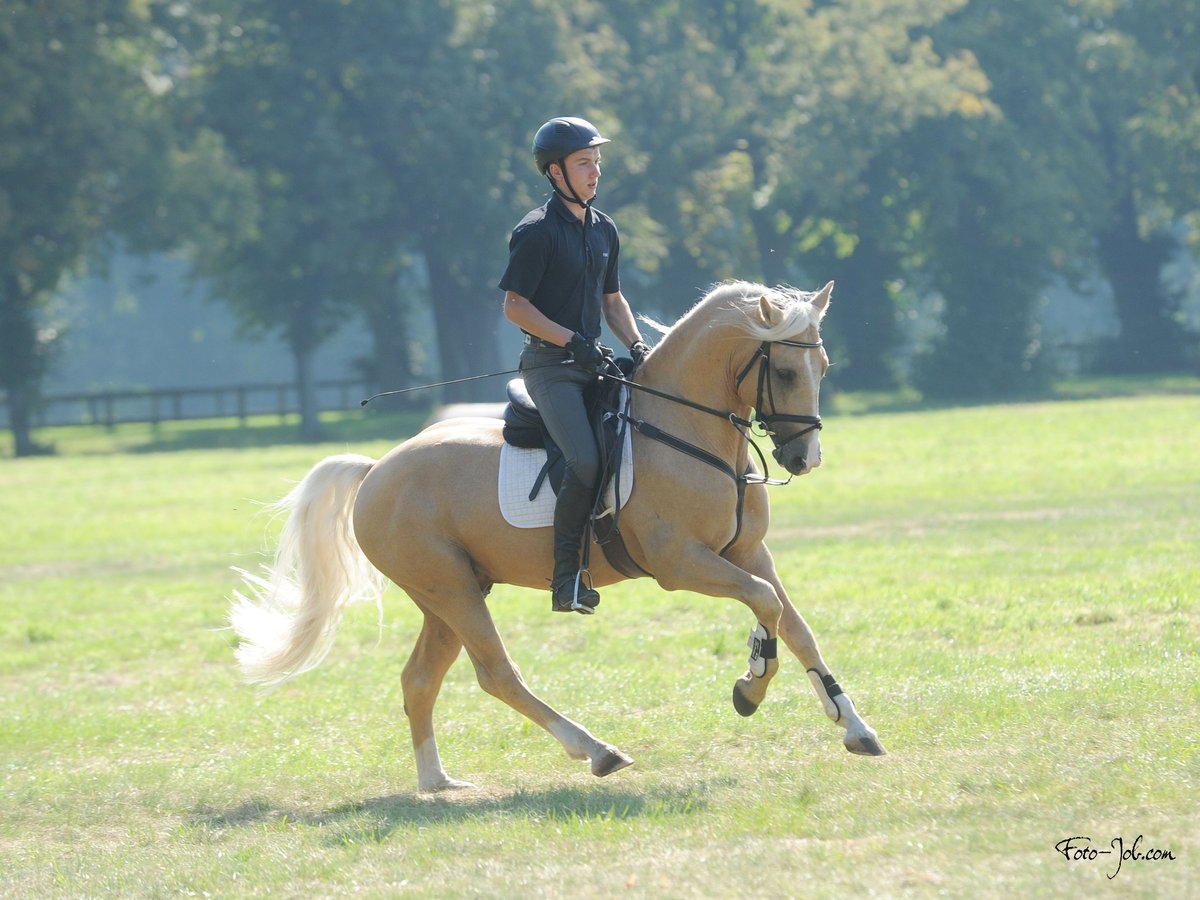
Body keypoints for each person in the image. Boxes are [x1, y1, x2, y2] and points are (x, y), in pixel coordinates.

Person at [499, 116, 651, 615]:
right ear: (555, 172)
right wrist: (571, 341)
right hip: (550, 368)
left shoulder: (604, 228)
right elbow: (515, 306)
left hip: (593, 363)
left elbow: (613, 300)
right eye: (584, 162)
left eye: (597, 162)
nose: (595, 172)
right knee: (585, 461)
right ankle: (566, 579)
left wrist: (637, 343)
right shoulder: (536, 232)